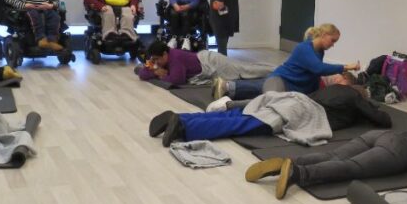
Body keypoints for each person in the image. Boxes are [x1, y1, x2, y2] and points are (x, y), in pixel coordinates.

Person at [149, 78, 391, 149]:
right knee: (245, 124)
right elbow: (384, 121)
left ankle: (182, 117)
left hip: (293, 99)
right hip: (302, 111)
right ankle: (185, 126)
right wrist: (371, 106)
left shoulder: (333, 89)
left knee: (240, 115)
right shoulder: (354, 98)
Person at [248, 123, 407, 200]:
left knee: (334, 155)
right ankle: (298, 173)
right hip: (402, 150)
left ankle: (286, 161)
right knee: (352, 167)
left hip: (383, 135)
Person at [218, 23, 361, 101]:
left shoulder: (319, 51)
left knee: (262, 93)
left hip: (291, 87)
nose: (333, 45)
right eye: (332, 40)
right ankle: (227, 90)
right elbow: (318, 69)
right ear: (323, 35)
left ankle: (228, 87)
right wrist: (346, 67)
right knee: (267, 100)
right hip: (281, 81)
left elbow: (314, 74)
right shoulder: (304, 48)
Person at [135, 40, 274, 88]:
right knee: (244, 70)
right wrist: (155, 70)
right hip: (207, 64)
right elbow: (143, 74)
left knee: (245, 71)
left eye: (157, 60)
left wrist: (162, 75)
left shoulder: (175, 57)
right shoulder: (160, 60)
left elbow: (178, 80)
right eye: (153, 60)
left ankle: (276, 70)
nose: (155, 63)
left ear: (165, 54)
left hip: (212, 62)